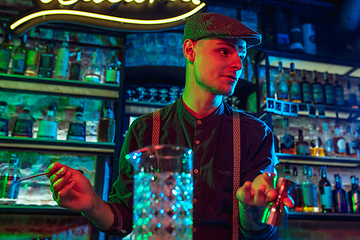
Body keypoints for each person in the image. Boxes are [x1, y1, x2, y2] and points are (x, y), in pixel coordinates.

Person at [46, 12, 294, 239]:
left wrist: (250, 207)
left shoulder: (255, 133)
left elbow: (261, 235)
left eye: (241, 55)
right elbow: (125, 218)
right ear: (190, 51)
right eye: (224, 51)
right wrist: (92, 205)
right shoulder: (144, 130)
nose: (238, 65)